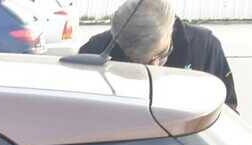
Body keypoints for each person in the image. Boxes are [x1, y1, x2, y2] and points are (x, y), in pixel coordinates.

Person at [80, 0, 238, 110]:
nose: (154, 67)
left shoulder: (204, 47)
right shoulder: (95, 52)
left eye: (162, 55)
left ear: (171, 29)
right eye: (137, 62)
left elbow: (227, 109)